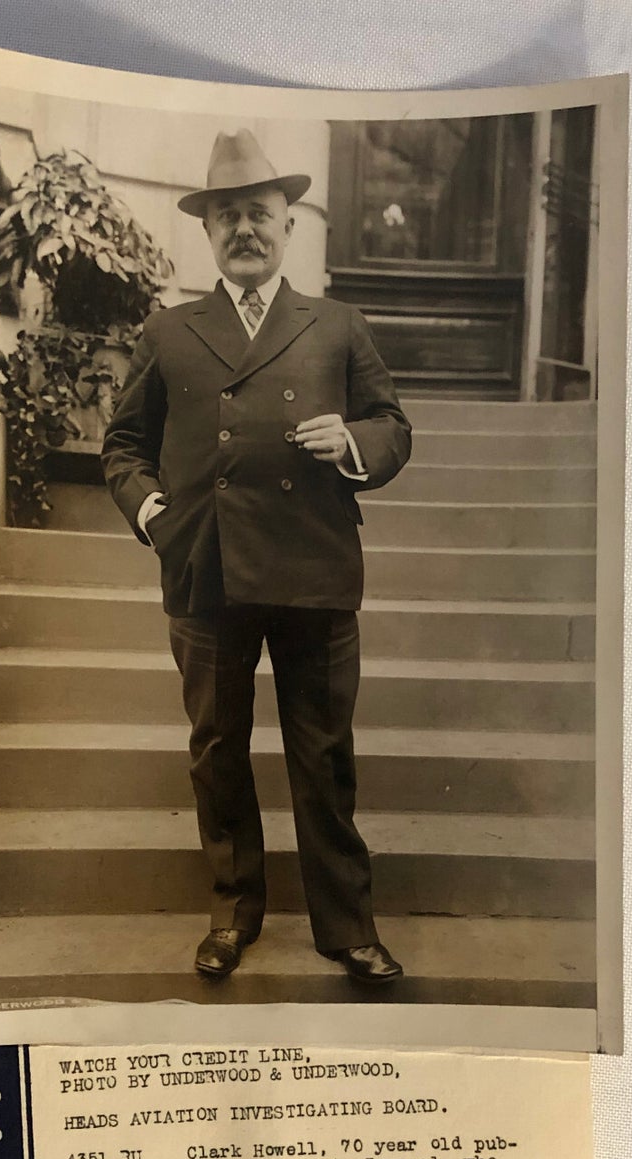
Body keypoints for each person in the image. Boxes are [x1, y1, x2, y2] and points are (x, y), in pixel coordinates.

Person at [102, 128, 411, 984]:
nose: (245, 228)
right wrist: (154, 510)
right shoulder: (168, 331)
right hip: (205, 567)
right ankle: (232, 914)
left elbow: (394, 425)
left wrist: (351, 439)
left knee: (323, 754)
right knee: (216, 747)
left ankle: (346, 926)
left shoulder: (338, 324)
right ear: (208, 232)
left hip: (312, 567)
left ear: (289, 224)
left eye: (260, 214)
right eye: (228, 214)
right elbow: (123, 445)